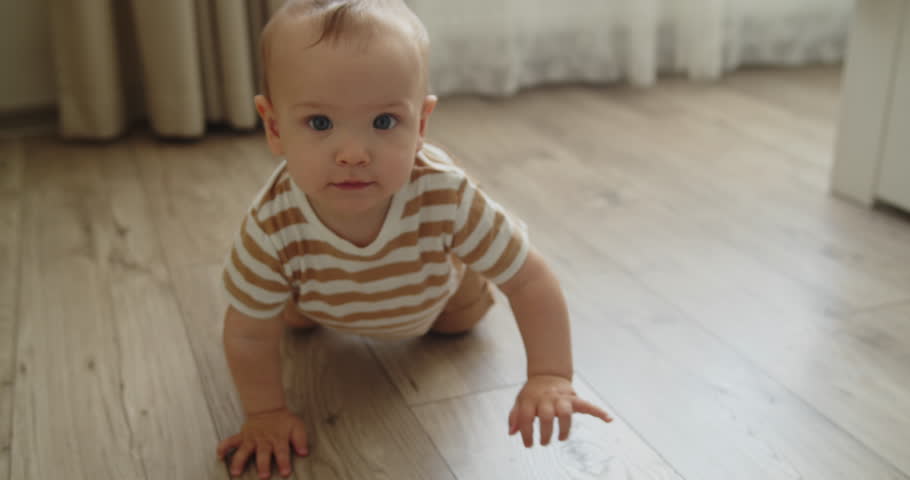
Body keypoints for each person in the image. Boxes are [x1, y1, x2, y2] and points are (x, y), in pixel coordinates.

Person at [215, 0, 612, 477]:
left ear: (420, 124)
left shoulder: (445, 194)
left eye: (384, 122)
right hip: (315, 294)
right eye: (319, 124)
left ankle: (455, 291)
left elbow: (529, 280)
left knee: (459, 323)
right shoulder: (271, 225)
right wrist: (265, 414)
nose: (354, 154)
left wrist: (550, 375)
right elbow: (247, 332)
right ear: (274, 127)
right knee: (287, 318)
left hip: (437, 294)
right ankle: (300, 305)